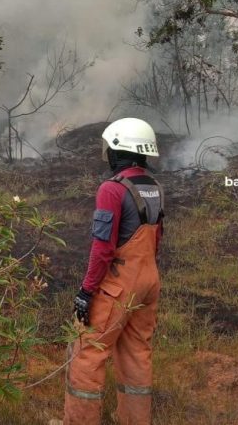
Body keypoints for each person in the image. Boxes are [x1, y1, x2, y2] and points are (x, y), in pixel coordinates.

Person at [64, 118, 165, 425]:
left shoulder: (112, 188)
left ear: (120, 148)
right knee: (136, 354)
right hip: (149, 280)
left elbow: (103, 248)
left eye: (110, 146)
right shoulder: (154, 186)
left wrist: (86, 290)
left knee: (86, 353)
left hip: (119, 285)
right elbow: (156, 239)